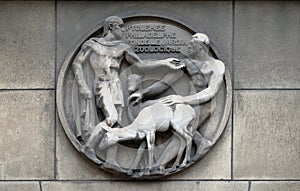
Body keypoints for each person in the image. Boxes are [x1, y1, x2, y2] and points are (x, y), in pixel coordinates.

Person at [72, 16, 183, 162]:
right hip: (102, 84)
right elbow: (77, 63)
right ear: (111, 27)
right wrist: (82, 85)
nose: (123, 30)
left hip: (116, 85)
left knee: (117, 121)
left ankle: (111, 161)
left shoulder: (122, 47)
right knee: (111, 118)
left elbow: (140, 65)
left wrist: (164, 62)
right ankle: (88, 148)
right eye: (120, 27)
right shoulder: (92, 45)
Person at [129, 33, 225, 170]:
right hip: (186, 102)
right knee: (156, 107)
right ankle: (201, 142)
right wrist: (142, 93)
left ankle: (159, 164)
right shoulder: (186, 63)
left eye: (193, 43)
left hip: (204, 103)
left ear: (202, 46)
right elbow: (164, 84)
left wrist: (183, 100)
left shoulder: (217, 66)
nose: (189, 46)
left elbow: (211, 92)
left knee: (178, 128)